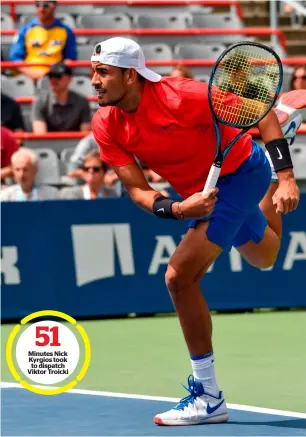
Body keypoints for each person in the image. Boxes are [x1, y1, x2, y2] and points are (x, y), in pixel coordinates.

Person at [90, 37, 300, 426]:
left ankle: (208, 396)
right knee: (264, 256)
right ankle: (269, 180)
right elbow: (138, 188)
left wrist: (288, 176)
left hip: (241, 172)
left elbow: (263, 113)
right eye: (93, 72)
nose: (95, 80)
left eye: (103, 72)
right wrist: (177, 208)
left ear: (130, 76)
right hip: (200, 192)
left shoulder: (184, 95)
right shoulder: (106, 123)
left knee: (179, 277)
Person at [10, 0, 77, 81]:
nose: (41, 9)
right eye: (38, 5)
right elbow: (15, 58)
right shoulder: (25, 30)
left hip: (55, 75)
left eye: (46, 5)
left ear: (54, 6)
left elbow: (70, 59)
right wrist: (30, 72)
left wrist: (57, 72)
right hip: (29, 76)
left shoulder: (66, 31)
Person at [32, 62, 91, 133]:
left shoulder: (82, 101)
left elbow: (84, 134)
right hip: (48, 144)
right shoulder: (39, 102)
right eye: (50, 76)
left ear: (69, 79)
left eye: (58, 76)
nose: (53, 80)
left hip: (76, 143)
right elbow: (40, 136)